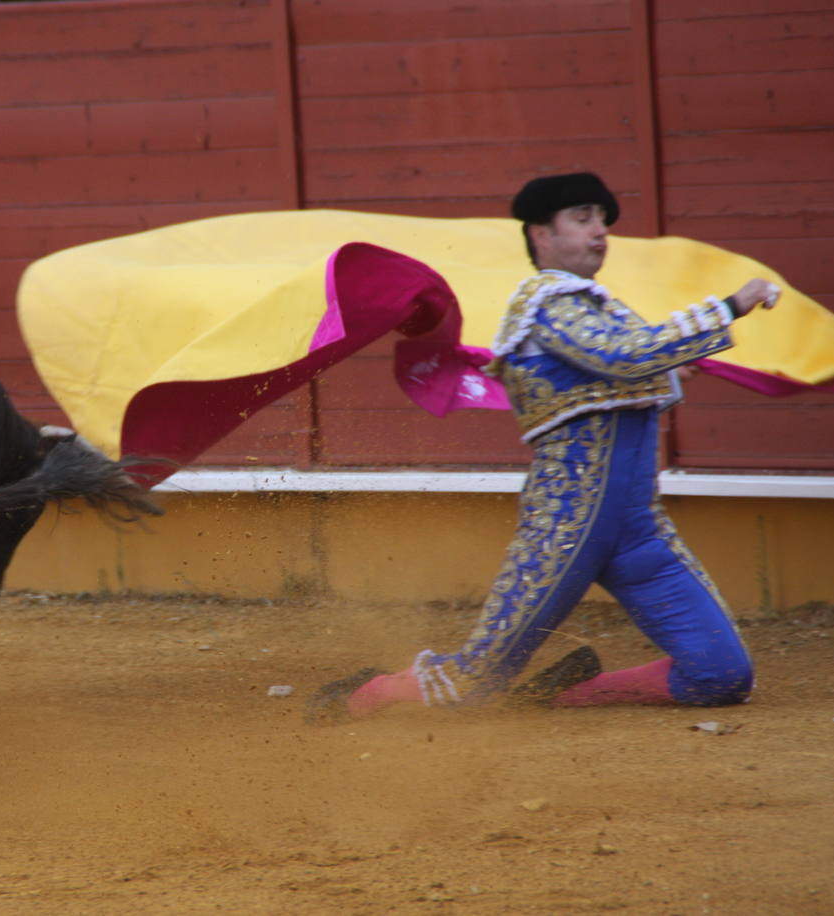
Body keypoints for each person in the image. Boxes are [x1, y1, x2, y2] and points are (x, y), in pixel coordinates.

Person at [308, 172, 780, 723]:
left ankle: (560, 693)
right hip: (566, 527)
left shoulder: (601, 309)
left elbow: (626, 362)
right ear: (541, 235)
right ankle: (370, 693)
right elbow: (626, 357)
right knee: (475, 681)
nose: (600, 232)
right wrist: (727, 308)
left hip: (636, 528)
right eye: (582, 219)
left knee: (720, 674)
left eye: (602, 220)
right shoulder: (545, 303)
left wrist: (680, 360)